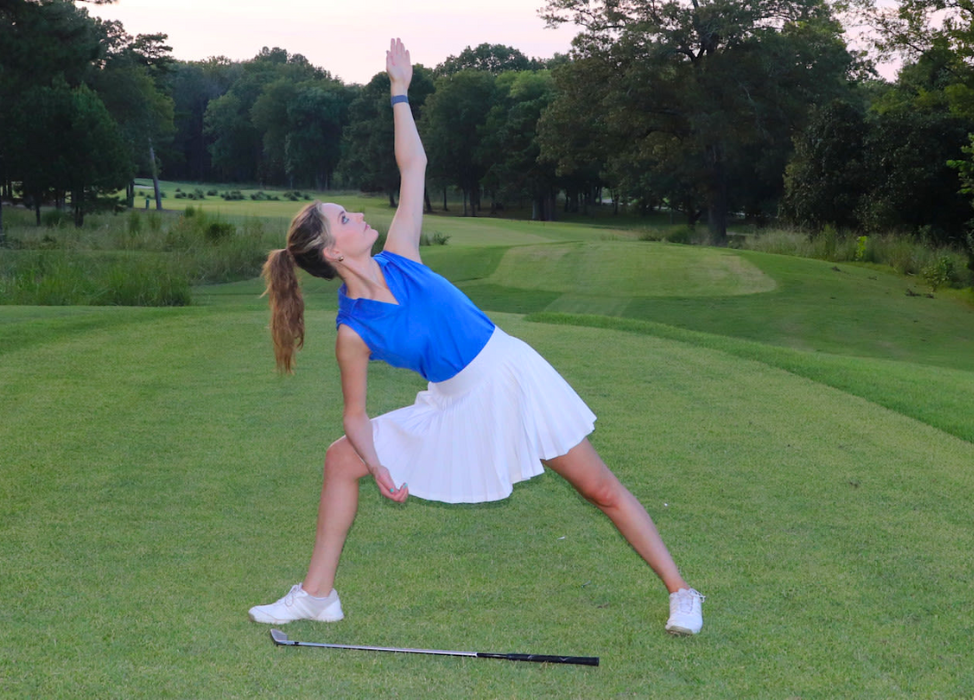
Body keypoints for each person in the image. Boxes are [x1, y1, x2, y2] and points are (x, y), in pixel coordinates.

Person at [249, 38, 704, 635]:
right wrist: (378, 467)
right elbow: (354, 415)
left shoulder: (401, 256)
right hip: (455, 402)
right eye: (344, 218)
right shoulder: (353, 330)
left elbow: (414, 166)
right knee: (342, 459)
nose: (357, 216)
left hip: (509, 375)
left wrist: (400, 92)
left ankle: (682, 592)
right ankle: (316, 596)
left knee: (600, 489)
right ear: (333, 251)